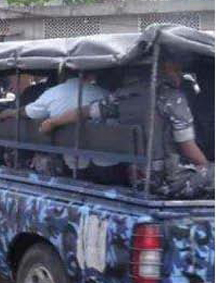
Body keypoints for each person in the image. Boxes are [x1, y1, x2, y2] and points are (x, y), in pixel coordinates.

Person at [39, 55, 214, 199]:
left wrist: (53, 122)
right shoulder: (172, 98)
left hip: (137, 178)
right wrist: (206, 167)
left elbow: (83, 112)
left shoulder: (123, 97)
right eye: (175, 70)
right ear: (162, 70)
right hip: (169, 181)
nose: (180, 74)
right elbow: (189, 148)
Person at [0, 72, 116, 176]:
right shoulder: (104, 93)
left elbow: (29, 112)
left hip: (73, 164)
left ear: (63, 75)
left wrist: (11, 112)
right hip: (108, 163)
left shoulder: (53, 93)